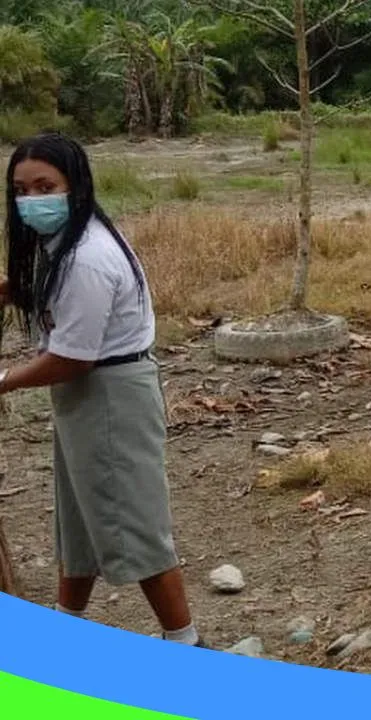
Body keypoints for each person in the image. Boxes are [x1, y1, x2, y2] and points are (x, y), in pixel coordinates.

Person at [0, 133, 203, 647]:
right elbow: (61, 312)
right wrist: (13, 289)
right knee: (80, 522)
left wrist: (3, 383)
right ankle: (64, 630)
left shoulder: (86, 257)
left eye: (44, 186)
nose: (31, 200)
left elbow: (72, 356)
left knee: (135, 525)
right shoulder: (64, 241)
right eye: (21, 190)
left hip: (109, 393)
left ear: (75, 186)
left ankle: (186, 643)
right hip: (87, 395)